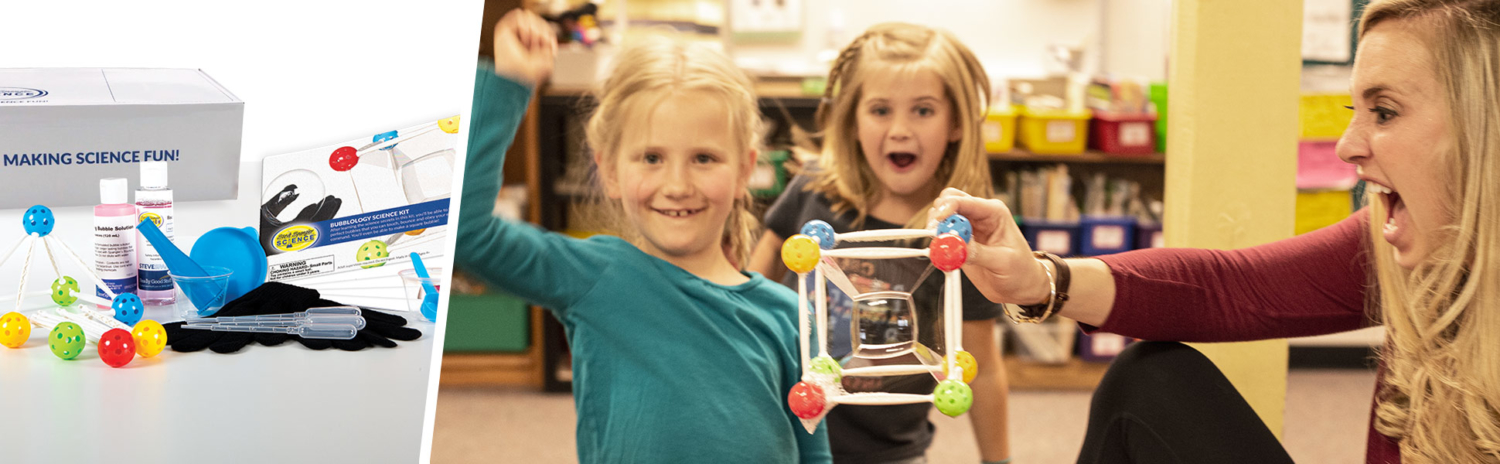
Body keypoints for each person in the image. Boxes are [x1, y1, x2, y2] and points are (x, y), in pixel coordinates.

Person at [929, 1, 1500, 462]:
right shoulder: (1398, 241)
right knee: (1149, 383)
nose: (1348, 145)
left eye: (1385, 112)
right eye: (1355, 109)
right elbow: (1233, 288)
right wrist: (1038, 280)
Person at [457, 10, 830, 463]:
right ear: (609, 170)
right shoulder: (595, 278)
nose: (677, 185)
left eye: (704, 158)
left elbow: (814, 451)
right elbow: (469, 234)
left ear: (745, 170)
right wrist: (511, 83)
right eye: (652, 157)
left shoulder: (789, 315)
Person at [748, 22, 1011, 464]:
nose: (900, 130)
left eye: (923, 111)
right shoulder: (813, 190)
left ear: (956, 124)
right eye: (880, 110)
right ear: (852, 119)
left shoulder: (957, 237)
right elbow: (752, 289)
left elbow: (981, 369)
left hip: (892, 452)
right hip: (787, 433)